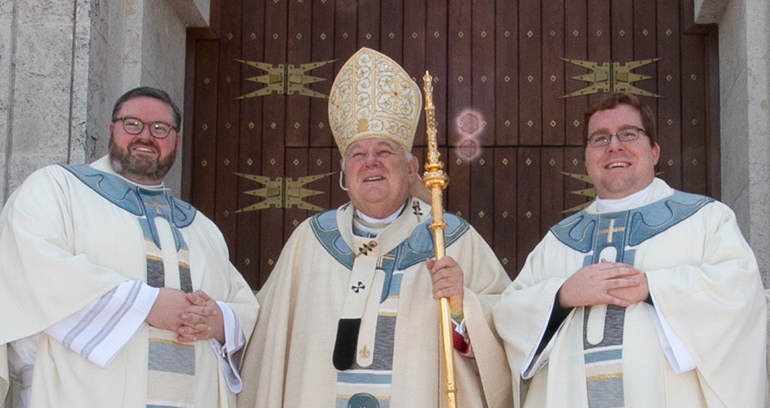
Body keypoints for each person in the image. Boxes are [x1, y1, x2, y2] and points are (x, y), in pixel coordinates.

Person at [237, 47, 512, 408]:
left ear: (411, 169)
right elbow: (263, 345)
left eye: (384, 151)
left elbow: (506, 339)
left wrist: (464, 308)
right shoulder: (310, 241)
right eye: (357, 154)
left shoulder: (450, 239)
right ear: (344, 173)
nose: (370, 162)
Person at [493, 92, 768, 407]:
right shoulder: (558, 241)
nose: (614, 146)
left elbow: (741, 293)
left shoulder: (706, 219)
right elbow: (509, 315)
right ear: (586, 159)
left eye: (628, 134)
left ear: (654, 151)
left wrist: (653, 288)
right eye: (599, 139)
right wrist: (564, 295)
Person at [0, 87, 259, 407]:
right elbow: (33, 270)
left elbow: (245, 306)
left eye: (160, 128)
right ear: (111, 130)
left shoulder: (200, 227)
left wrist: (220, 321)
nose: (146, 136)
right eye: (132, 124)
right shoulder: (57, 189)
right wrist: (147, 304)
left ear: (177, 141)